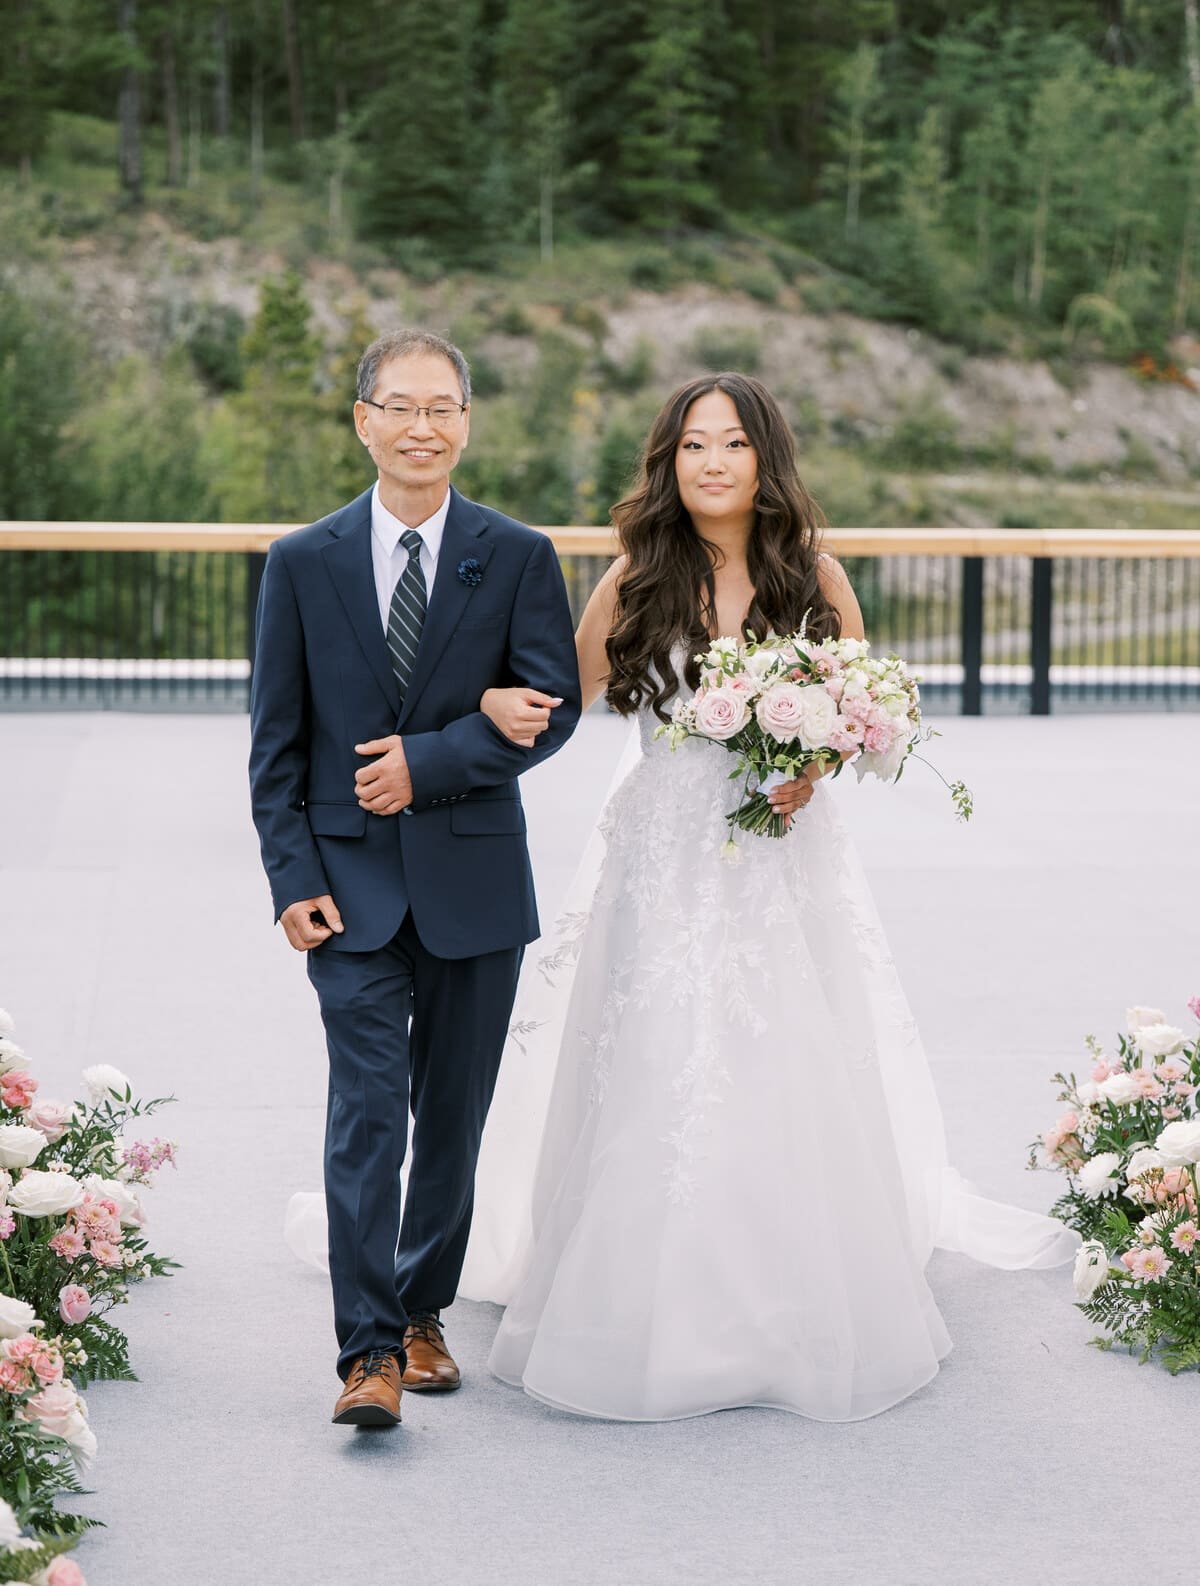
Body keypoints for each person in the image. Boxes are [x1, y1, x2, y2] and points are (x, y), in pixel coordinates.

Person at [462, 371, 1076, 1422]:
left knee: (781, 1051)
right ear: (669, 461)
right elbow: (559, 701)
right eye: (693, 444)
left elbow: (862, 714)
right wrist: (479, 702)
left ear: (765, 459)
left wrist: (813, 767)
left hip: (779, 860)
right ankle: (640, 1291)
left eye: (734, 443)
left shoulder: (815, 577)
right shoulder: (633, 578)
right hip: (660, 860)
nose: (713, 462)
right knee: (655, 1052)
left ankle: (783, 1291)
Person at [249, 329, 581, 1428]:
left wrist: (427, 760)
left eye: (442, 408)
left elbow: (552, 709)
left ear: (466, 424)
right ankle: (369, 1352)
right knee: (365, 1115)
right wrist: (290, 876)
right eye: (401, 406)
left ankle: (424, 1308)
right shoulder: (301, 562)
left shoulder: (518, 554)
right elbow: (275, 746)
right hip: (346, 888)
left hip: (474, 883)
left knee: (450, 1117)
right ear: (364, 421)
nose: (422, 427)